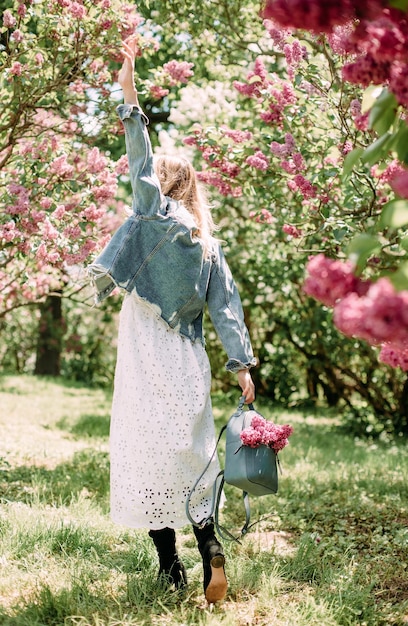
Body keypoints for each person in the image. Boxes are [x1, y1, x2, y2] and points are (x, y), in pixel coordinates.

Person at [88, 36, 256, 604]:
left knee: (144, 455)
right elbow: (226, 307)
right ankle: (212, 549)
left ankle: (171, 569)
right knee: (192, 458)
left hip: (144, 358)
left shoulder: (151, 213)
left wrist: (129, 89)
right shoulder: (208, 245)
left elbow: (138, 149)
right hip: (189, 361)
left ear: (163, 187)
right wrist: (243, 368)